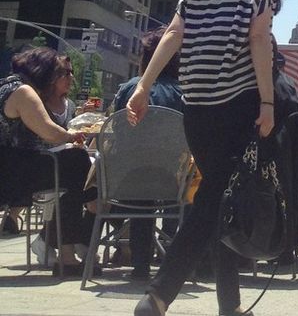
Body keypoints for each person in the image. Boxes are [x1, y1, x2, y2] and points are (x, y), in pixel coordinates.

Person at [127, 0, 281, 316]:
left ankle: (229, 306)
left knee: (220, 197)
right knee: (214, 197)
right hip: (238, 100)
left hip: (196, 104)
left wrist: (144, 85)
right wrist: (267, 101)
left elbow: (174, 32)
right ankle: (158, 296)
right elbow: (258, 39)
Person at [0, 47, 92, 271]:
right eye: (53, 72)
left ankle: (66, 243)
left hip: (9, 166)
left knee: (73, 169)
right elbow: (49, 132)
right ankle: (70, 250)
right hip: (12, 172)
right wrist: (73, 136)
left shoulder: (5, 87)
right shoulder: (24, 91)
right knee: (77, 162)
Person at [112, 30, 185, 280]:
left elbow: (115, 130)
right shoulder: (184, 93)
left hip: (126, 180)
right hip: (173, 181)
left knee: (138, 192)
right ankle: (177, 258)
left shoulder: (129, 89)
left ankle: (138, 265)